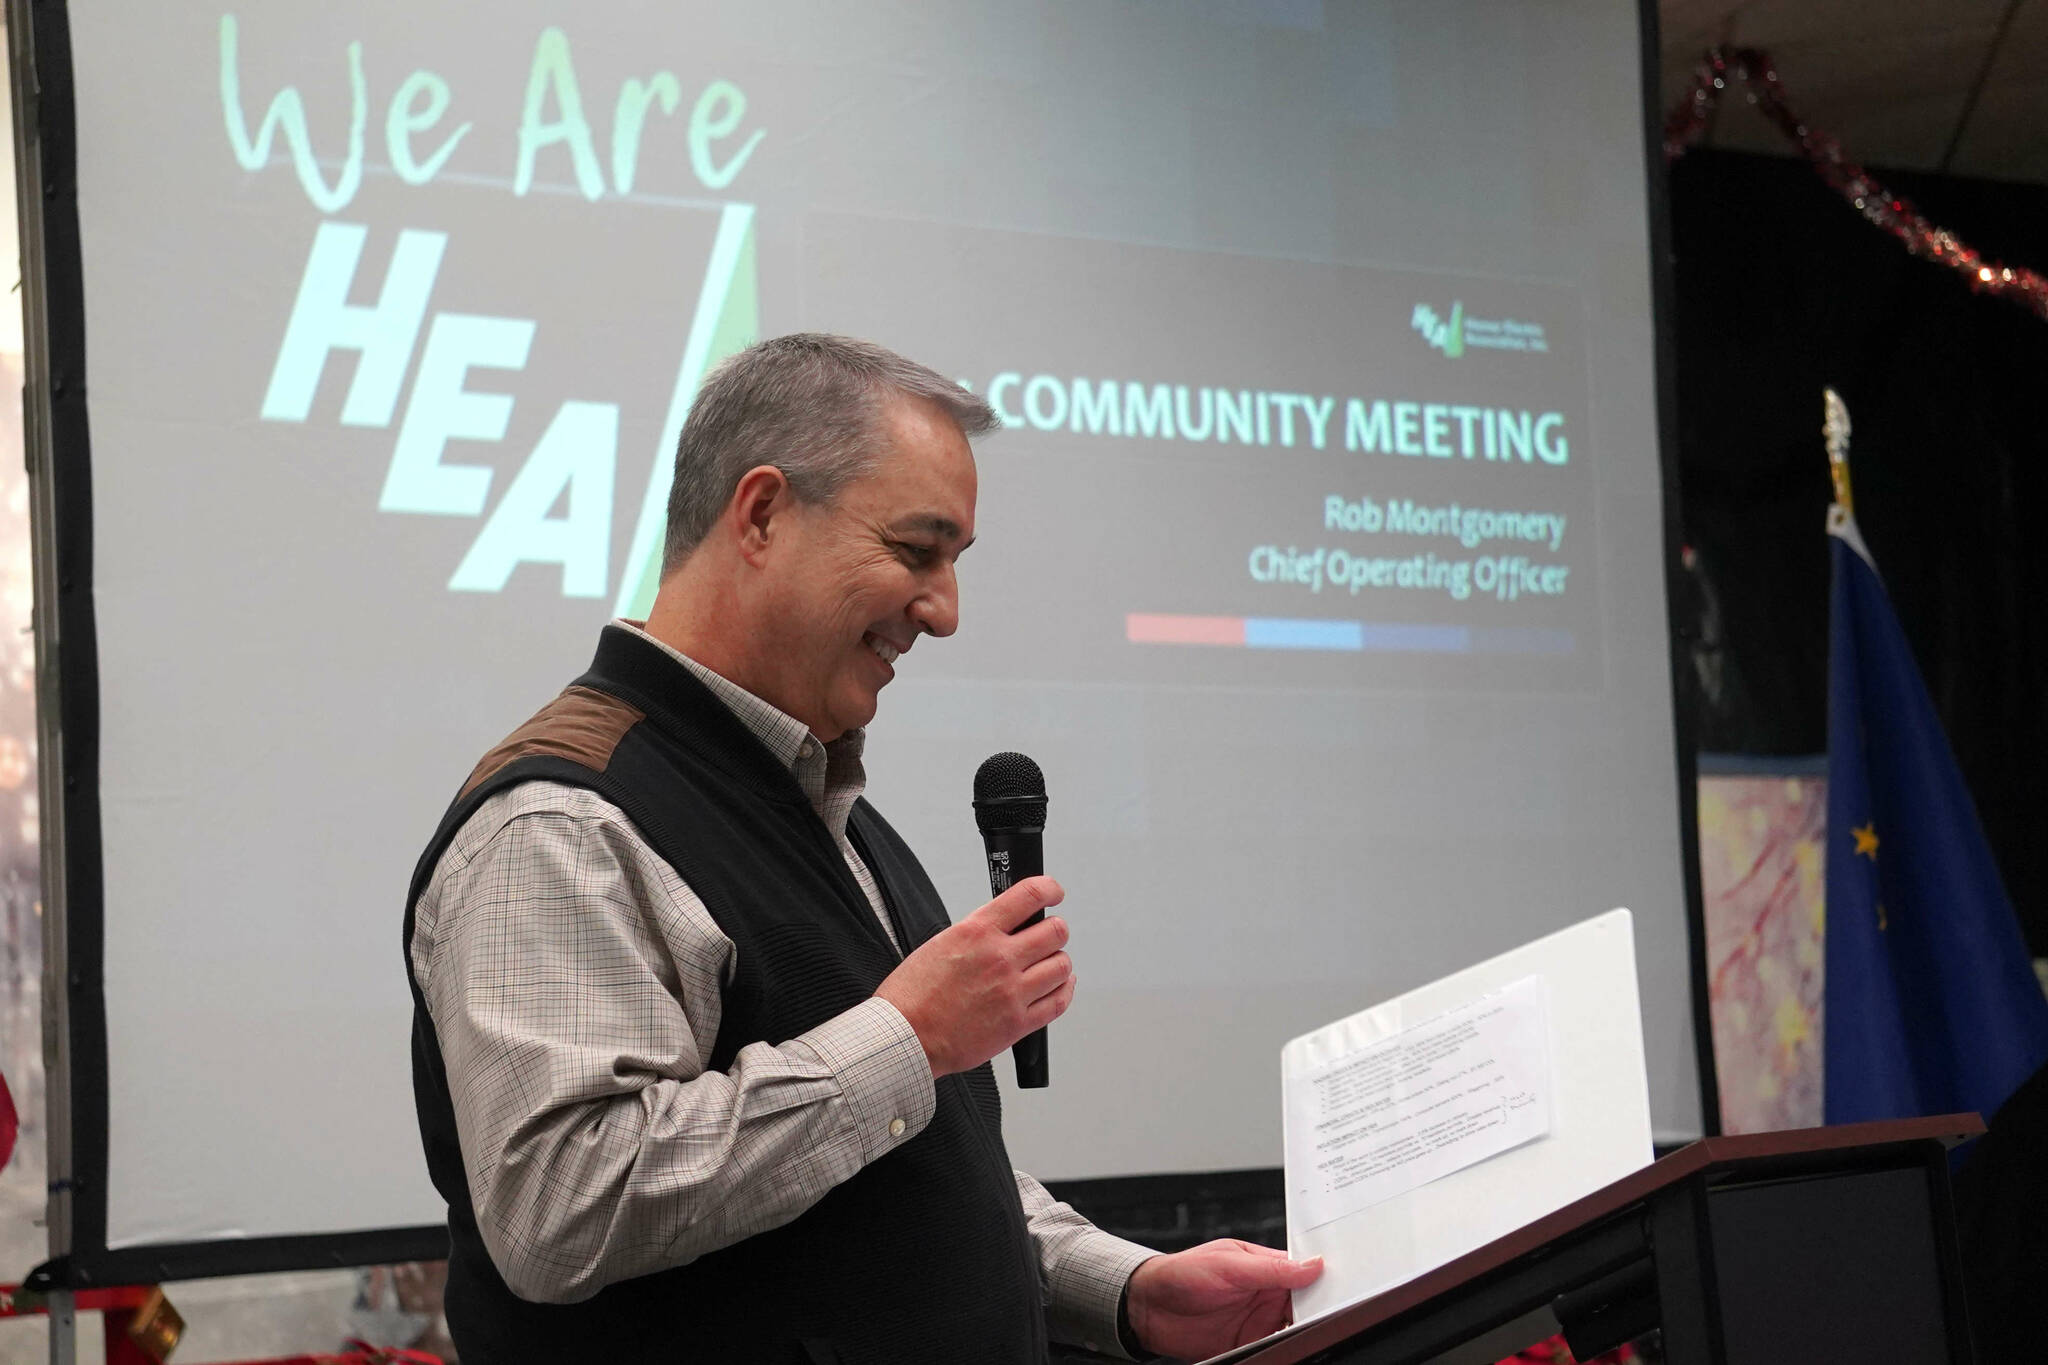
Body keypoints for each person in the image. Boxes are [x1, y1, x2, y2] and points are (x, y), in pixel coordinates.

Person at [403, 334, 1322, 1364]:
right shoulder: (564, 822)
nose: (944, 611)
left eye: (955, 562)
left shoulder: (816, 804)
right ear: (759, 514)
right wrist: (909, 1036)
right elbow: (562, 1202)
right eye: (915, 550)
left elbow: (898, 1171)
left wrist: (1126, 1291)